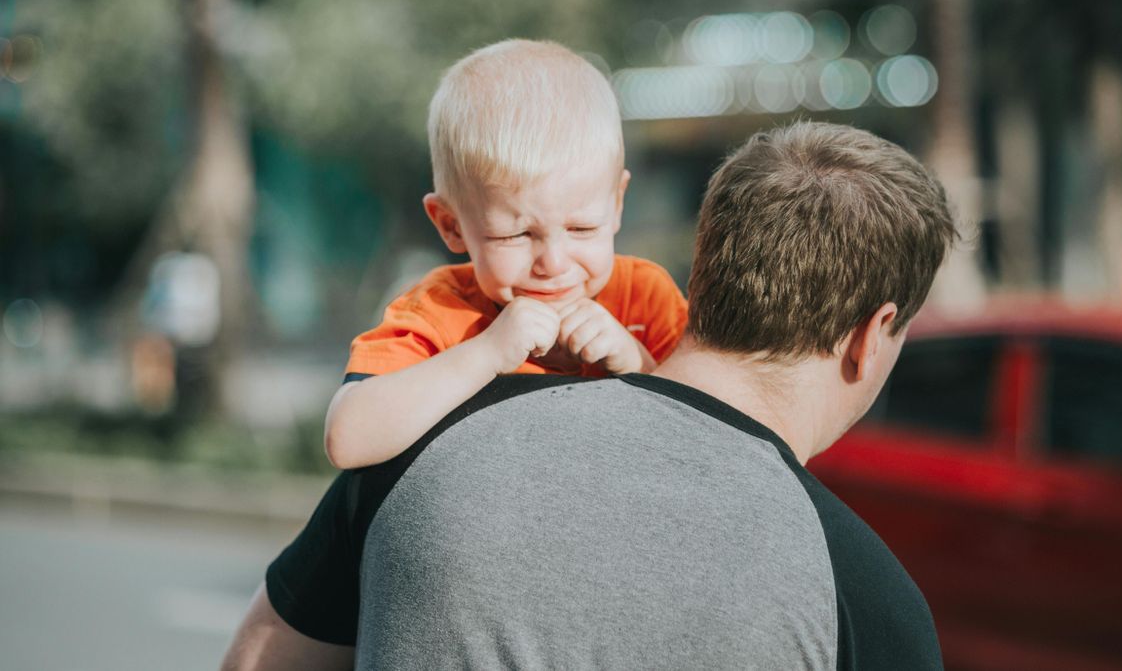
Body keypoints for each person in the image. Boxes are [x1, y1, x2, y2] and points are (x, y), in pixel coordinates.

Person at [223, 120, 957, 670]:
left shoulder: (429, 442)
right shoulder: (868, 600)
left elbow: (257, 659)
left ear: (702, 271)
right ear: (872, 333)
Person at [323, 39, 688, 469]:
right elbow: (348, 440)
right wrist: (485, 353)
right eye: (515, 235)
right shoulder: (440, 312)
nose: (553, 263)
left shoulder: (645, 298)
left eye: (581, 228)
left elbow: (714, 438)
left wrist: (637, 363)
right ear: (451, 225)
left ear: (617, 204)